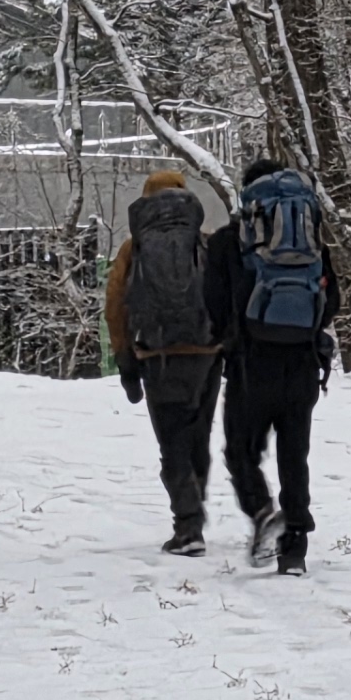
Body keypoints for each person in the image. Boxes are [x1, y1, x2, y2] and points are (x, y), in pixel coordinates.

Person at [201, 156, 336, 575]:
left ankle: (262, 512)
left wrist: (227, 337)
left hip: (250, 363)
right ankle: (294, 549)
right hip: (302, 362)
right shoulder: (311, 242)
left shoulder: (228, 242)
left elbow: (213, 304)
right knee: (294, 455)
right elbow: (331, 303)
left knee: (241, 450)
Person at [104, 167, 221, 554]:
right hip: (206, 354)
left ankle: (188, 527)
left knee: (172, 441)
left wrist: (125, 360)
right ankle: (194, 511)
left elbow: (115, 307)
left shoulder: (134, 248)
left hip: (158, 355)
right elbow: (226, 295)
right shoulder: (203, 242)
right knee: (199, 437)